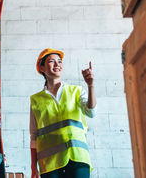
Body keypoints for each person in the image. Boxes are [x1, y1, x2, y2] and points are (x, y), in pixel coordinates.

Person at [30, 48, 97, 178]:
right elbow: (34, 136)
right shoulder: (35, 99)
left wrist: (90, 85)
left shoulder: (76, 91)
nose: (57, 64)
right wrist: (34, 168)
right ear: (42, 68)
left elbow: (91, 111)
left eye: (60, 61)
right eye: (51, 61)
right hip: (49, 164)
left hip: (77, 157)